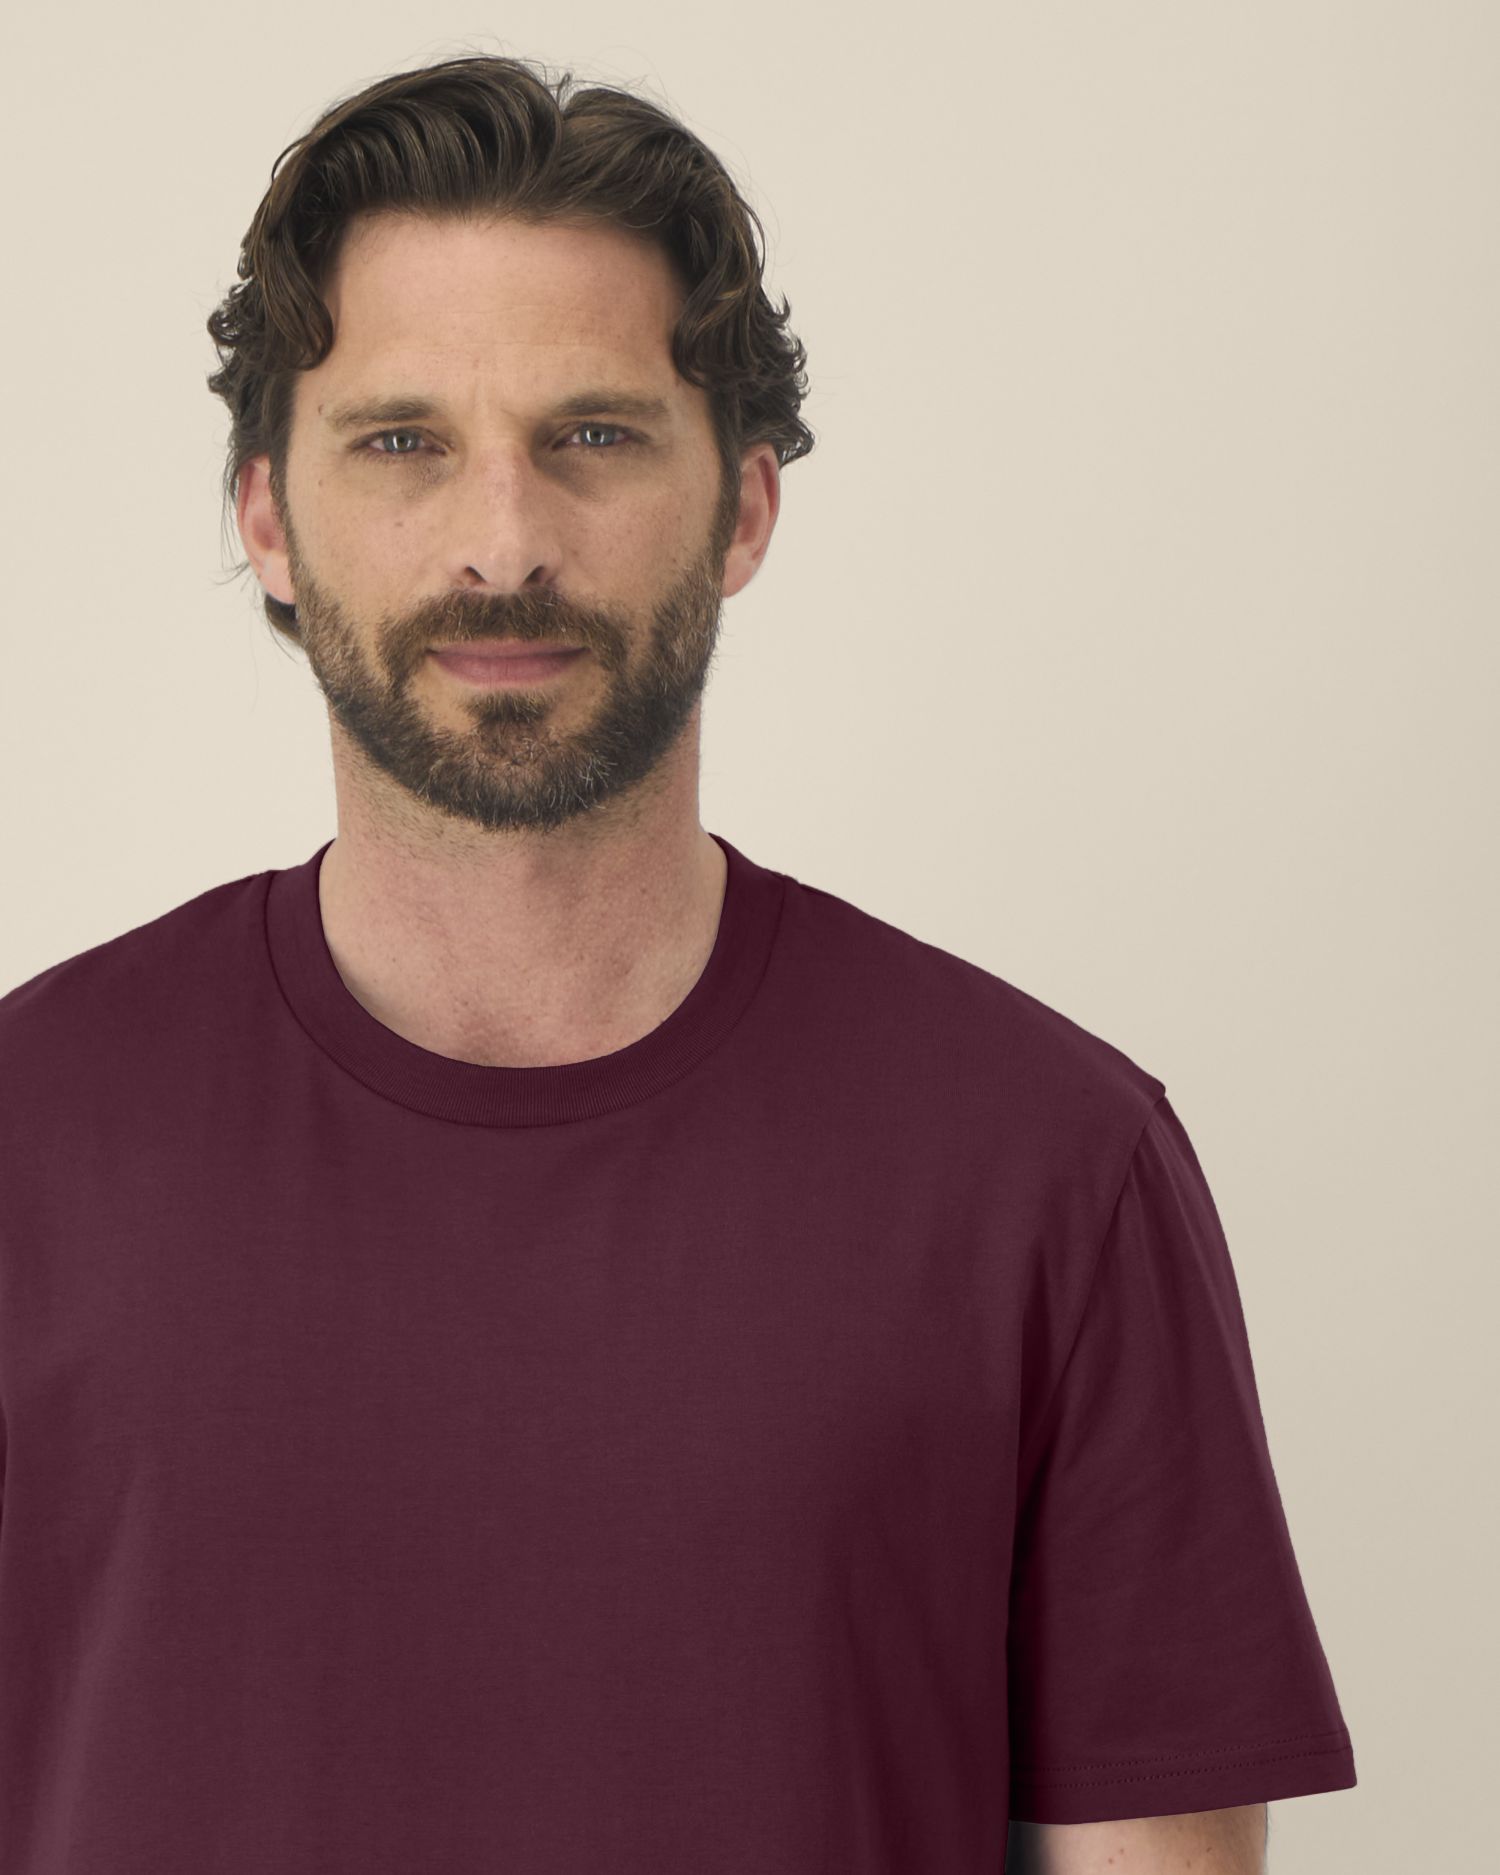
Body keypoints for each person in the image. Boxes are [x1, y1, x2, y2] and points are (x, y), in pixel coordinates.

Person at [0, 53, 1355, 1875]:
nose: (502, 543)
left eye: (595, 437)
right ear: (266, 518)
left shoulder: (1050, 1168)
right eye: (402, 442)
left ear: (743, 510)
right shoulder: (27, 1142)